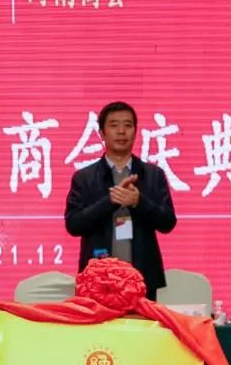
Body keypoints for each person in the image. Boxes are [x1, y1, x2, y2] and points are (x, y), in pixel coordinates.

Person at [64, 101, 177, 300]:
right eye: (114, 125)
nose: (121, 131)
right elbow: (73, 224)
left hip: (142, 278)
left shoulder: (153, 175)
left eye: (128, 125)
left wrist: (139, 202)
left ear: (135, 131)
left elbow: (168, 222)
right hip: (98, 281)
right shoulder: (84, 177)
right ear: (102, 133)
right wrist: (110, 201)